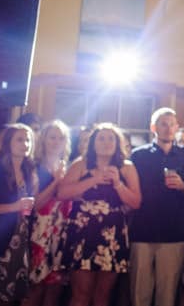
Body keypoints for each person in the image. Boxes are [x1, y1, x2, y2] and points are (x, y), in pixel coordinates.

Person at [58, 123, 141, 306]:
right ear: (93, 143)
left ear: (118, 143)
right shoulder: (81, 164)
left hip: (112, 234)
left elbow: (135, 202)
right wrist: (95, 179)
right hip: (83, 233)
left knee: (103, 295)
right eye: (101, 138)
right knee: (81, 293)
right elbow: (62, 193)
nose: (106, 142)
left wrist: (118, 183)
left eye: (111, 138)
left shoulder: (127, 167)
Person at [129, 108, 184, 306]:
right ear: (153, 127)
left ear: (177, 127)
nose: (168, 128)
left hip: (174, 233)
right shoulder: (137, 156)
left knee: (167, 296)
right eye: (163, 124)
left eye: (172, 124)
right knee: (138, 294)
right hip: (141, 232)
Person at [26, 120, 72, 306]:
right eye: (52, 137)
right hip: (39, 230)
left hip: (61, 231)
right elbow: (35, 204)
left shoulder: (68, 167)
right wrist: (55, 182)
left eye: (61, 138)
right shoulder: (33, 167)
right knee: (35, 287)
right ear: (43, 140)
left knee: (55, 288)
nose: (56, 142)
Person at [0, 123, 37, 305]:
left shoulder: (29, 171)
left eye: (28, 139)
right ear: (8, 142)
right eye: (19, 139)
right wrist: (14, 207)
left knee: (15, 297)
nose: (25, 144)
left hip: (21, 240)